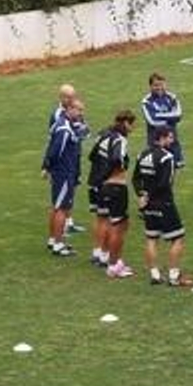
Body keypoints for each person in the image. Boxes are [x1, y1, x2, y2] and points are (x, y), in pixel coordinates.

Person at [134, 125, 189, 286]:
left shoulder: (142, 154)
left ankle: (155, 274)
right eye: (170, 137)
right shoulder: (167, 157)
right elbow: (165, 183)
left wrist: (142, 194)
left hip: (148, 204)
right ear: (162, 138)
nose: (172, 140)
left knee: (151, 238)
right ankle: (173, 276)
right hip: (163, 202)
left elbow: (136, 179)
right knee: (177, 238)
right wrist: (150, 195)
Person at [88, 110, 138, 278]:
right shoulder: (119, 140)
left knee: (104, 219)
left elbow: (92, 155)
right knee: (119, 226)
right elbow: (118, 159)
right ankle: (114, 263)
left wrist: (101, 175)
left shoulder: (103, 135)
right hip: (116, 187)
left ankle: (102, 254)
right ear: (125, 123)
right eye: (132, 124)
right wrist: (116, 170)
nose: (133, 127)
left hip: (101, 186)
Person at [41, 96, 86, 257]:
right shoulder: (64, 130)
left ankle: (53, 240)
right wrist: (48, 168)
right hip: (64, 174)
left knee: (57, 206)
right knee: (61, 209)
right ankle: (58, 245)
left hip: (63, 173)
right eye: (79, 110)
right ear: (69, 109)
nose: (81, 113)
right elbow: (55, 152)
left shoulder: (63, 125)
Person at [49, 83, 87, 234]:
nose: (73, 99)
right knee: (61, 195)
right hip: (64, 161)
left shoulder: (75, 111)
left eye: (74, 96)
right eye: (70, 97)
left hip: (74, 155)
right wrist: (49, 166)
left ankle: (68, 222)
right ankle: (60, 230)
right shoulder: (59, 115)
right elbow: (56, 141)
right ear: (62, 97)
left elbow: (84, 130)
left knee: (72, 187)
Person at [140, 71, 185, 167]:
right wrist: (170, 118)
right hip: (155, 144)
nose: (159, 88)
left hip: (172, 142)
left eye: (162, 85)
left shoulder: (172, 97)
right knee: (155, 169)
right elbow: (152, 121)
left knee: (174, 169)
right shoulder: (146, 102)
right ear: (150, 86)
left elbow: (179, 115)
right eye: (156, 85)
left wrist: (159, 115)